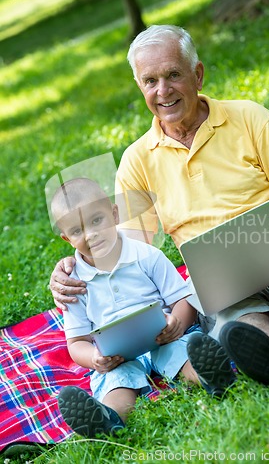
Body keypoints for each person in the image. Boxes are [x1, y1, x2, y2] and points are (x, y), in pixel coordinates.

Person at [50, 25, 269, 392]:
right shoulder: (137, 161)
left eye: (173, 75)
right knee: (240, 324)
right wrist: (74, 262)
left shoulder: (249, 117)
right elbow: (131, 250)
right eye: (150, 81)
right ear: (140, 87)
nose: (162, 91)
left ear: (197, 74)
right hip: (219, 278)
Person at [50, 177, 236, 438]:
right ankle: (107, 421)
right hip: (117, 357)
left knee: (184, 352)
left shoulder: (146, 255)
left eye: (96, 220)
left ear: (114, 214)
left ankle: (213, 378)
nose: (90, 234)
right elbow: (76, 342)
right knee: (116, 382)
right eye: (77, 230)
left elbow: (182, 300)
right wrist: (94, 358)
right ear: (66, 238)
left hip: (163, 337)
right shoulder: (73, 283)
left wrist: (177, 324)